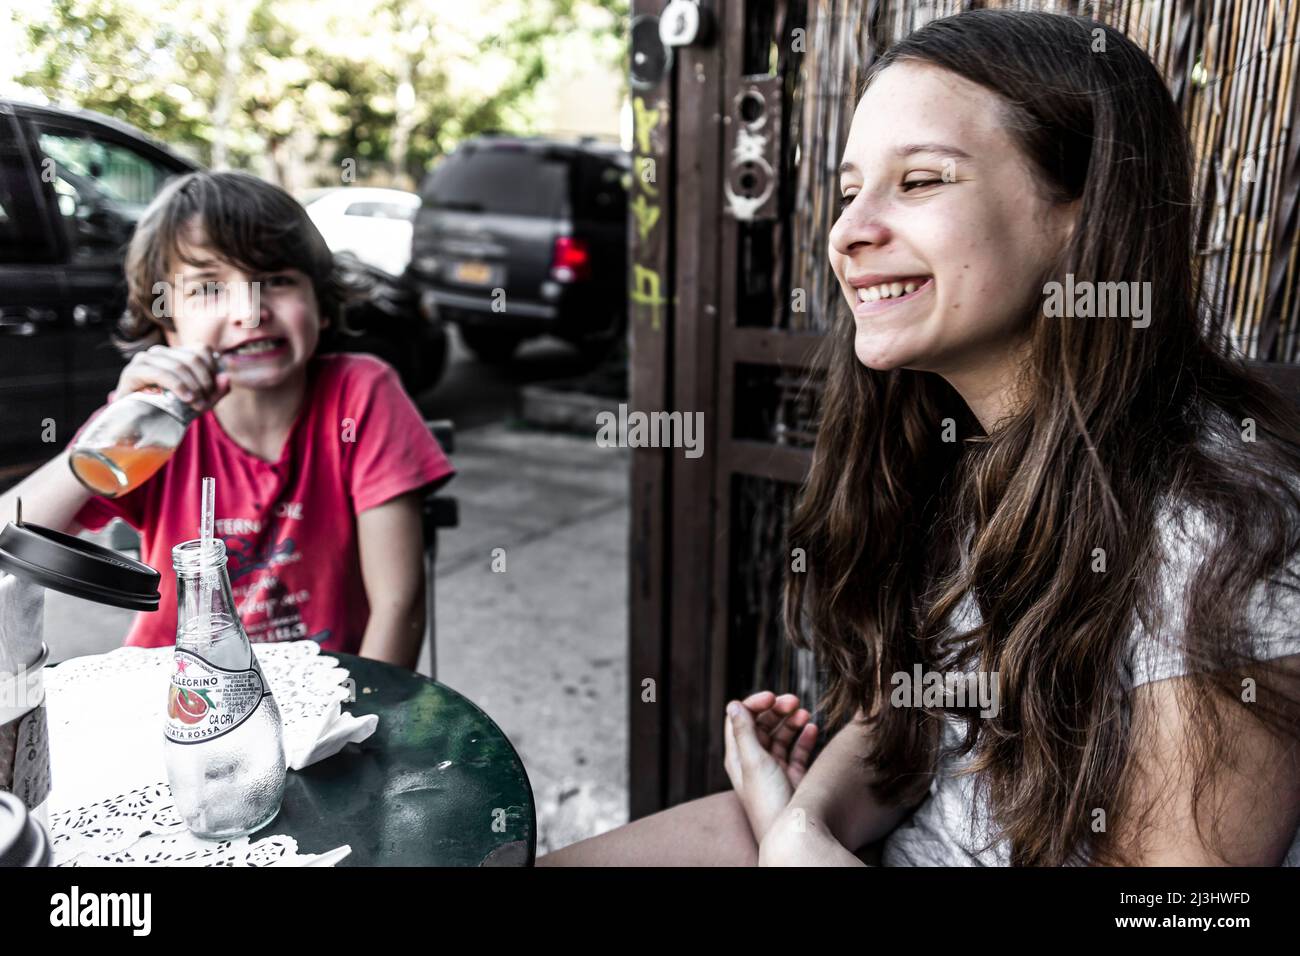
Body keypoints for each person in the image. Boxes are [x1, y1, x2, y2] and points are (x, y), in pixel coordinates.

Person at [541, 9, 1300, 866]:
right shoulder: (947, 446)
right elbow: (907, 715)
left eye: (922, 181)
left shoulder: (1221, 532)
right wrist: (802, 820)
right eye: (849, 189)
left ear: (1081, 219)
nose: (849, 232)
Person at [0, 171, 453, 670]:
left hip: (327, 697)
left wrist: (367, 723)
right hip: (176, 701)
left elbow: (398, 603)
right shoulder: (151, 424)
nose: (250, 312)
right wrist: (119, 424)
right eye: (210, 287)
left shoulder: (360, 393)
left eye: (277, 280)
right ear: (167, 325)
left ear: (322, 306)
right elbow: (10, 532)